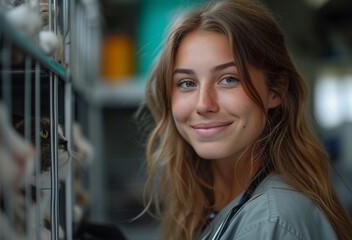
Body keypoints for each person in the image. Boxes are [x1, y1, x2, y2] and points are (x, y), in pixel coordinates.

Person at [137, 0, 352, 239]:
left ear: (276, 90)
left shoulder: (272, 222)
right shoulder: (207, 206)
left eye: (228, 79)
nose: (203, 104)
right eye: (187, 83)